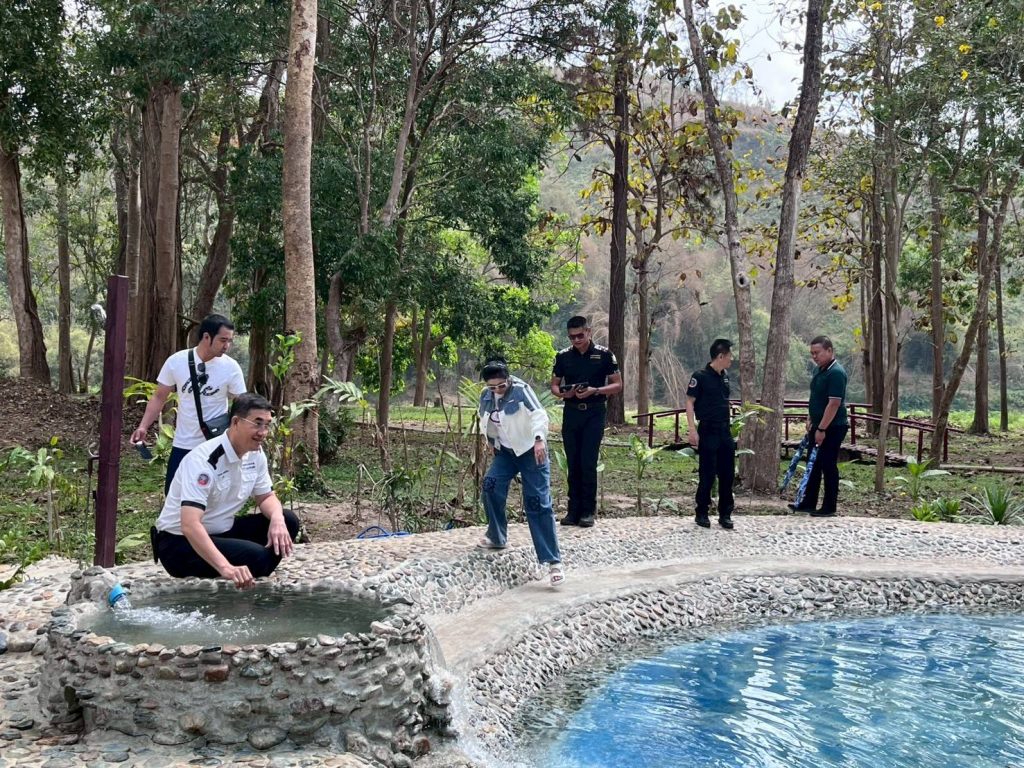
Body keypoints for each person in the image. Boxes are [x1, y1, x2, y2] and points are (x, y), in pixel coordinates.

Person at [152, 393, 300, 588]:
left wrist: (277, 520)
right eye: (257, 424)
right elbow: (189, 524)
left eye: (267, 425)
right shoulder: (204, 461)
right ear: (236, 422)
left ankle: (254, 568)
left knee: (288, 520)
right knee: (257, 557)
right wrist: (226, 567)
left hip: (222, 531)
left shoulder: (255, 454)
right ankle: (249, 569)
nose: (263, 432)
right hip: (180, 543)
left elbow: (266, 496)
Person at [131, 314, 246, 494]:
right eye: (223, 340)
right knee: (174, 494)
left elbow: (241, 403)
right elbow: (159, 397)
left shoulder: (231, 367)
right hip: (183, 443)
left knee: (213, 497)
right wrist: (143, 426)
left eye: (230, 341)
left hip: (215, 443)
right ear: (206, 337)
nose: (227, 346)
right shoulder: (177, 361)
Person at [477, 359, 564, 587]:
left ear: (508, 379)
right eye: (492, 387)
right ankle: (496, 536)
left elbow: (539, 414)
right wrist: (491, 441)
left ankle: (553, 561)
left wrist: (539, 440)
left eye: (501, 385)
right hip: (506, 453)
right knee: (490, 485)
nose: (497, 390)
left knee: (537, 502)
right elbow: (485, 419)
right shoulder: (486, 396)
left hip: (531, 451)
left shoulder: (521, 390)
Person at [550, 316, 622, 528]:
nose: (576, 340)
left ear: (589, 332)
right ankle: (573, 511)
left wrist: (596, 390)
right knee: (573, 462)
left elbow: (617, 385)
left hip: (594, 412)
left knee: (588, 462)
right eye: (572, 337)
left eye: (580, 335)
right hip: (572, 413)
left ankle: (588, 511)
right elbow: (554, 385)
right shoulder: (563, 356)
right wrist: (564, 393)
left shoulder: (605, 355)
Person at [789, 335, 849, 517]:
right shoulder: (819, 370)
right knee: (813, 463)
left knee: (827, 464)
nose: (815, 357)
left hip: (833, 426)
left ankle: (829, 506)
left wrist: (822, 429)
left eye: (818, 353)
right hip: (817, 423)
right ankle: (808, 502)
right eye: (812, 353)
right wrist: (811, 419)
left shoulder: (836, 373)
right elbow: (816, 397)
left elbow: (833, 404)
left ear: (829, 351)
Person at [685, 338, 736, 530]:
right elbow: (689, 402)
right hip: (708, 430)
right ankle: (702, 512)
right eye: (730, 355)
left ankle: (725, 514)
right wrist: (692, 430)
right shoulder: (700, 376)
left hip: (725, 430)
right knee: (707, 473)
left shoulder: (725, 376)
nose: (732, 359)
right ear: (720, 356)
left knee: (727, 473)